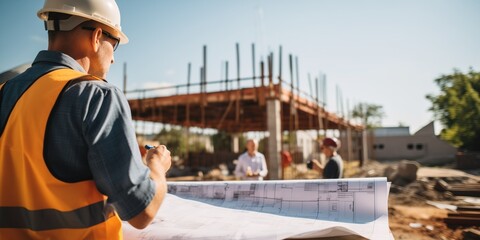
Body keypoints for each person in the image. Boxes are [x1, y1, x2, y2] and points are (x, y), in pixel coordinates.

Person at [0, 0, 171, 239]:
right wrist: (158, 166)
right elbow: (142, 212)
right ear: (97, 36)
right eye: (115, 44)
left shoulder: (4, 90)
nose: (112, 59)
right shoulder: (97, 95)